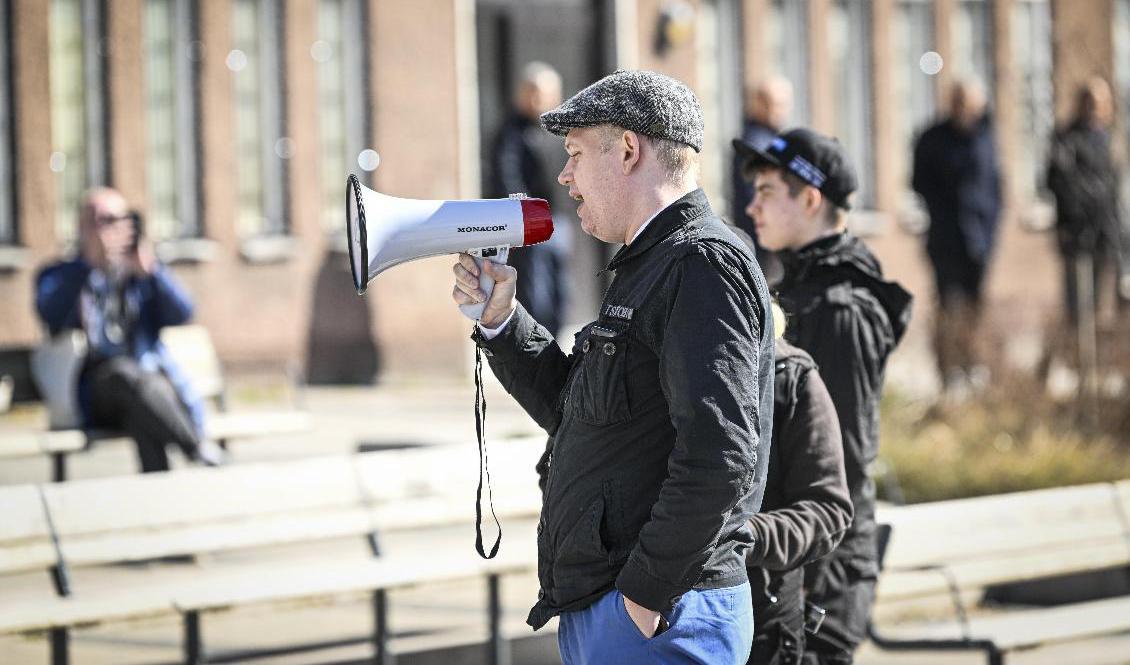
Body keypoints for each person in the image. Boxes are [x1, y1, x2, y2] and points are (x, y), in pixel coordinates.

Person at [453, 70, 774, 664]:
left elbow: (720, 455)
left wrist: (645, 594)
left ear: (629, 151)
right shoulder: (653, 263)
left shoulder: (699, 265)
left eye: (574, 153)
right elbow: (579, 411)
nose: (563, 176)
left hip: (662, 613)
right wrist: (503, 320)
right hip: (627, 609)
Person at [735, 129, 912, 665]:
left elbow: (845, 457)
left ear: (809, 199)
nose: (752, 206)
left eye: (767, 192)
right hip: (792, 555)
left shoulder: (839, 311)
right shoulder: (806, 289)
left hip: (821, 571)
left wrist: (815, 578)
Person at [35, 188, 223, 473]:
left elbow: (183, 312)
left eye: (122, 220)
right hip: (96, 391)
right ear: (83, 227)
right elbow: (50, 313)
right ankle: (197, 448)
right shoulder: (61, 274)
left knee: (143, 400)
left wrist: (152, 271)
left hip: (143, 391)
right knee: (126, 375)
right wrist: (87, 265)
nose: (115, 230)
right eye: (106, 220)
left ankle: (159, 499)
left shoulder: (138, 276)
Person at [746, 305, 853, 665]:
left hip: (763, 617)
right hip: (646, 610)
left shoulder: (789, 375)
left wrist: (740, 536)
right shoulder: (651, 357)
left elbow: (828, 509)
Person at [911, 79, 1002, 396]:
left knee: (976, 307)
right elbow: (919, 184)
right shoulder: (932, 139)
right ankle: (949, 372)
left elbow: (994, 188)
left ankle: (973, 365)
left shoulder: (985, 138)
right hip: (945, 239)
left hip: (979, 241)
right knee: (948, 306)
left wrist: (989, 231)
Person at [488, 61, 572, 337]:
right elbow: (506, 175)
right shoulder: (511, 132)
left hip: (560, 220)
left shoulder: (562, 130)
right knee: (537, 289)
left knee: (561, 288)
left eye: (546, 93)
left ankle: (557, 341)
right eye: (532, 92)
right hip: (530, 222)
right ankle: (540, 341)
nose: (539, 99)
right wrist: (524, 211)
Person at [1045, 77, 1126, 329]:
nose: (1095, 107)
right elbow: (1060, 181)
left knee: (1108, 306)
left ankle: (1105, 363)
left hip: (1108, 233)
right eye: (1090, 101)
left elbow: (1116, 190)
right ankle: (1078, 361)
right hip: (1077, 232)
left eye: (1101, 101)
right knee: (1079, 307)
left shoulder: (1113, 140)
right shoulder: (1066, 139)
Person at [731, 77, 793, 280]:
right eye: (774, 104)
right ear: (758, 103)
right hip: (762, 242)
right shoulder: (756, 144)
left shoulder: (772, 139)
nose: (780, 111)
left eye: (784, 104)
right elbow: (756, 195)